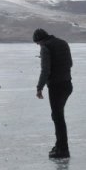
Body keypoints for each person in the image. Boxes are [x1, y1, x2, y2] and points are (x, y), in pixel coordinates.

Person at [33, 29, 73, 159]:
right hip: (67, 84)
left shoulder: (45, 47)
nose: (38, 46)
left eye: (37, 43)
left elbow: (45, 70)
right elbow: (70, 63)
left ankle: (63, 150)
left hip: (56, 86)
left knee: (58, 117)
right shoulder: (63, 43)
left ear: (40, 40)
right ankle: (59, 145)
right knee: (57, 116)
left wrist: (39, 87)